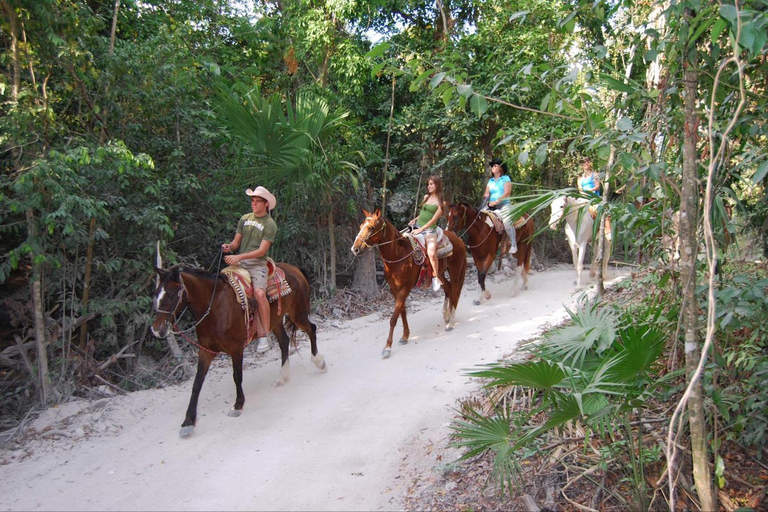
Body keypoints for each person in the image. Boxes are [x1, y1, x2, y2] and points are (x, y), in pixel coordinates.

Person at [222, 186, 278, 353]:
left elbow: (262, 251)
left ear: (266, 204)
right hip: (240, 263)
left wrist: (239, 257)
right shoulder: (244, 219)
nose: (253, 203)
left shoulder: (269, 224)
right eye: (252, 200)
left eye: (257, 201)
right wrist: (228, 248)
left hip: (257, 264)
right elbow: (236, 243)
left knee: (260, 294)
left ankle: (264, 334)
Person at [408, 175, 446, 292]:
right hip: (418, 226)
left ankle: (436, 276)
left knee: (431, 252)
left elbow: (433, 219)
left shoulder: (441, 203)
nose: (429, 186)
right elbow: (423, 212)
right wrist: (415, 219)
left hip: (429, 230)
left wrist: (421, 229)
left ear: (437, 185)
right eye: (428, 184)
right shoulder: (426, 197)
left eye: (431, 184)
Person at [483, 158, 517, 254]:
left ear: (500, 168)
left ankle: (514, 244)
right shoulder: (491, 181)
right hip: (491, 205)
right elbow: (486, 193)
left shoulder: (506, 179)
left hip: (504, 204)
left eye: (495, 166)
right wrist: (486, 196)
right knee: (480, 217)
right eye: (492, 166)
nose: (493, 167)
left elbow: (507, 193)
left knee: (507, 223)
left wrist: (497, 201)